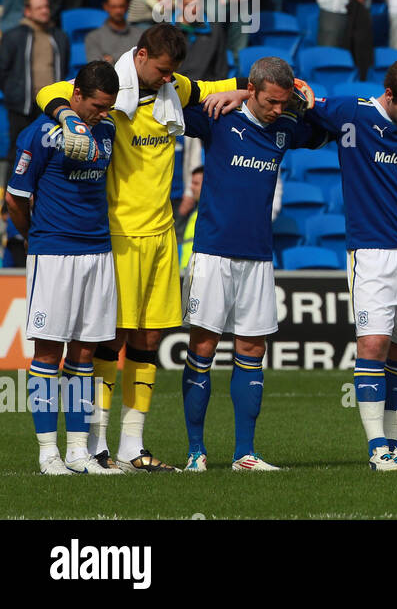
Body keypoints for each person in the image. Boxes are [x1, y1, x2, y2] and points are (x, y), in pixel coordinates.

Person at [36, 23, 239, 473]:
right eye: (163, 71)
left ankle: (133, 444)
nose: (170, 80)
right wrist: (67, 116)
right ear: (141, 55)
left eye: (174, 75)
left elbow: (217, 85)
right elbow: (50, 91)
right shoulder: (113, 87)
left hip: (161, 232)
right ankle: (96, 443)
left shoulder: (172, 87)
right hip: (119, 233)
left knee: (148, 339)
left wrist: (252, 89)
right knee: (110, 339)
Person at [179, 56, 327, 472]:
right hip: (212, 253)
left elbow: (324, 129)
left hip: (259, 257)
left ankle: (245, 453)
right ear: (253, 90)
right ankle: (195, 452)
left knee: (251, 349)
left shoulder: (285, 127)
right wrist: (233, 92)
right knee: (203, 349)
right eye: (270, 101)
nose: (278, 110)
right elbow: (168, 96)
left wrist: (309, 99)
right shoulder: (218, 116)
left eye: (284, 102)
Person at [304, 60, 397, 471]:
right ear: (389, 94)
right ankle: (376, 446)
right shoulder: (351, 113)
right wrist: (235, 92)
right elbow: (296, 99)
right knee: (373, 344)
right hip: (371, 251)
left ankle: (396, 445)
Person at [5, 60, 119, 475]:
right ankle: (47, 453)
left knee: (85, 351)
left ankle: (77, 452)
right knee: (49, 350)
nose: (103, 114)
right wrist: (34, 237)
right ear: (76, 97)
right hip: (53, 253)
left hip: (98, 252)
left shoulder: (106, 131)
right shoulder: (39, 135)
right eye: (97, 106)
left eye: (108, 106)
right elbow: (15, 198)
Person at [0, 0, 71, 172]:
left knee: (49, 154)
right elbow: (3, 69)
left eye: (46, 6)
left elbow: (63, 67)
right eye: (39, 7)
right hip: (22, 106)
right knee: (18, 153)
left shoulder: (59, 37)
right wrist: (13, 93)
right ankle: (11, 198)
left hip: (49, 106)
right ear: (27, 11)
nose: (45, 11)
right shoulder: (13, 36)